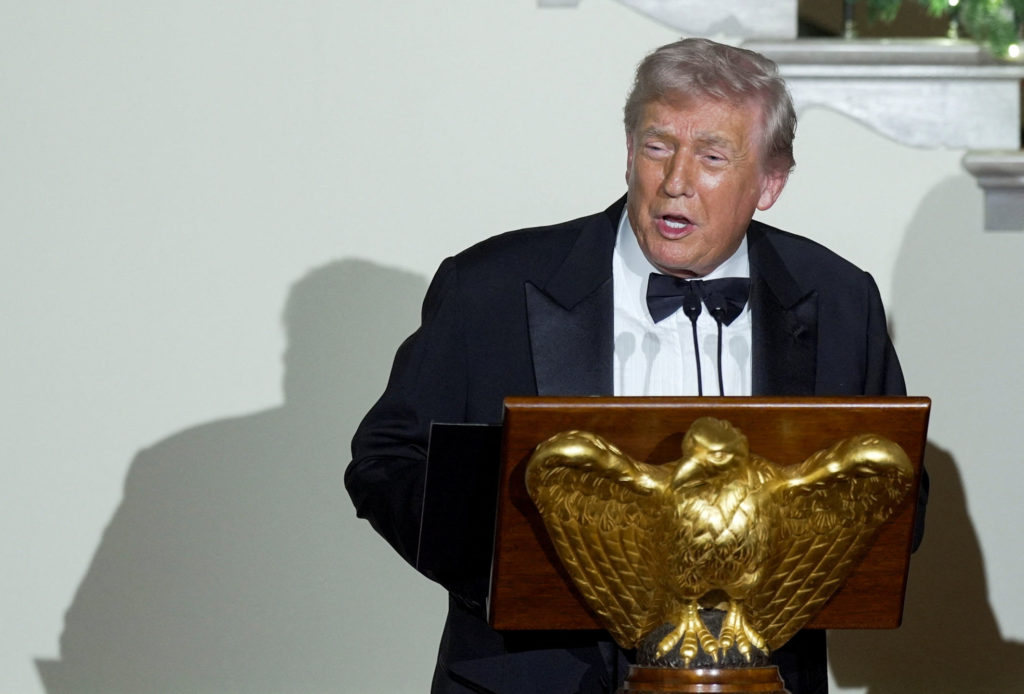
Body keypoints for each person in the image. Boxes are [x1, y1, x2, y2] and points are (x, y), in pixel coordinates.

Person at [346, 37, 915, 694]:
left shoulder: (841, 300)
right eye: (656, 146)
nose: (675, 181)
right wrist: (500, 566)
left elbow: (901, 497)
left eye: (711, 156)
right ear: (627, 152)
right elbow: (388, 458)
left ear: (771, 182)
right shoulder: (490, 288)